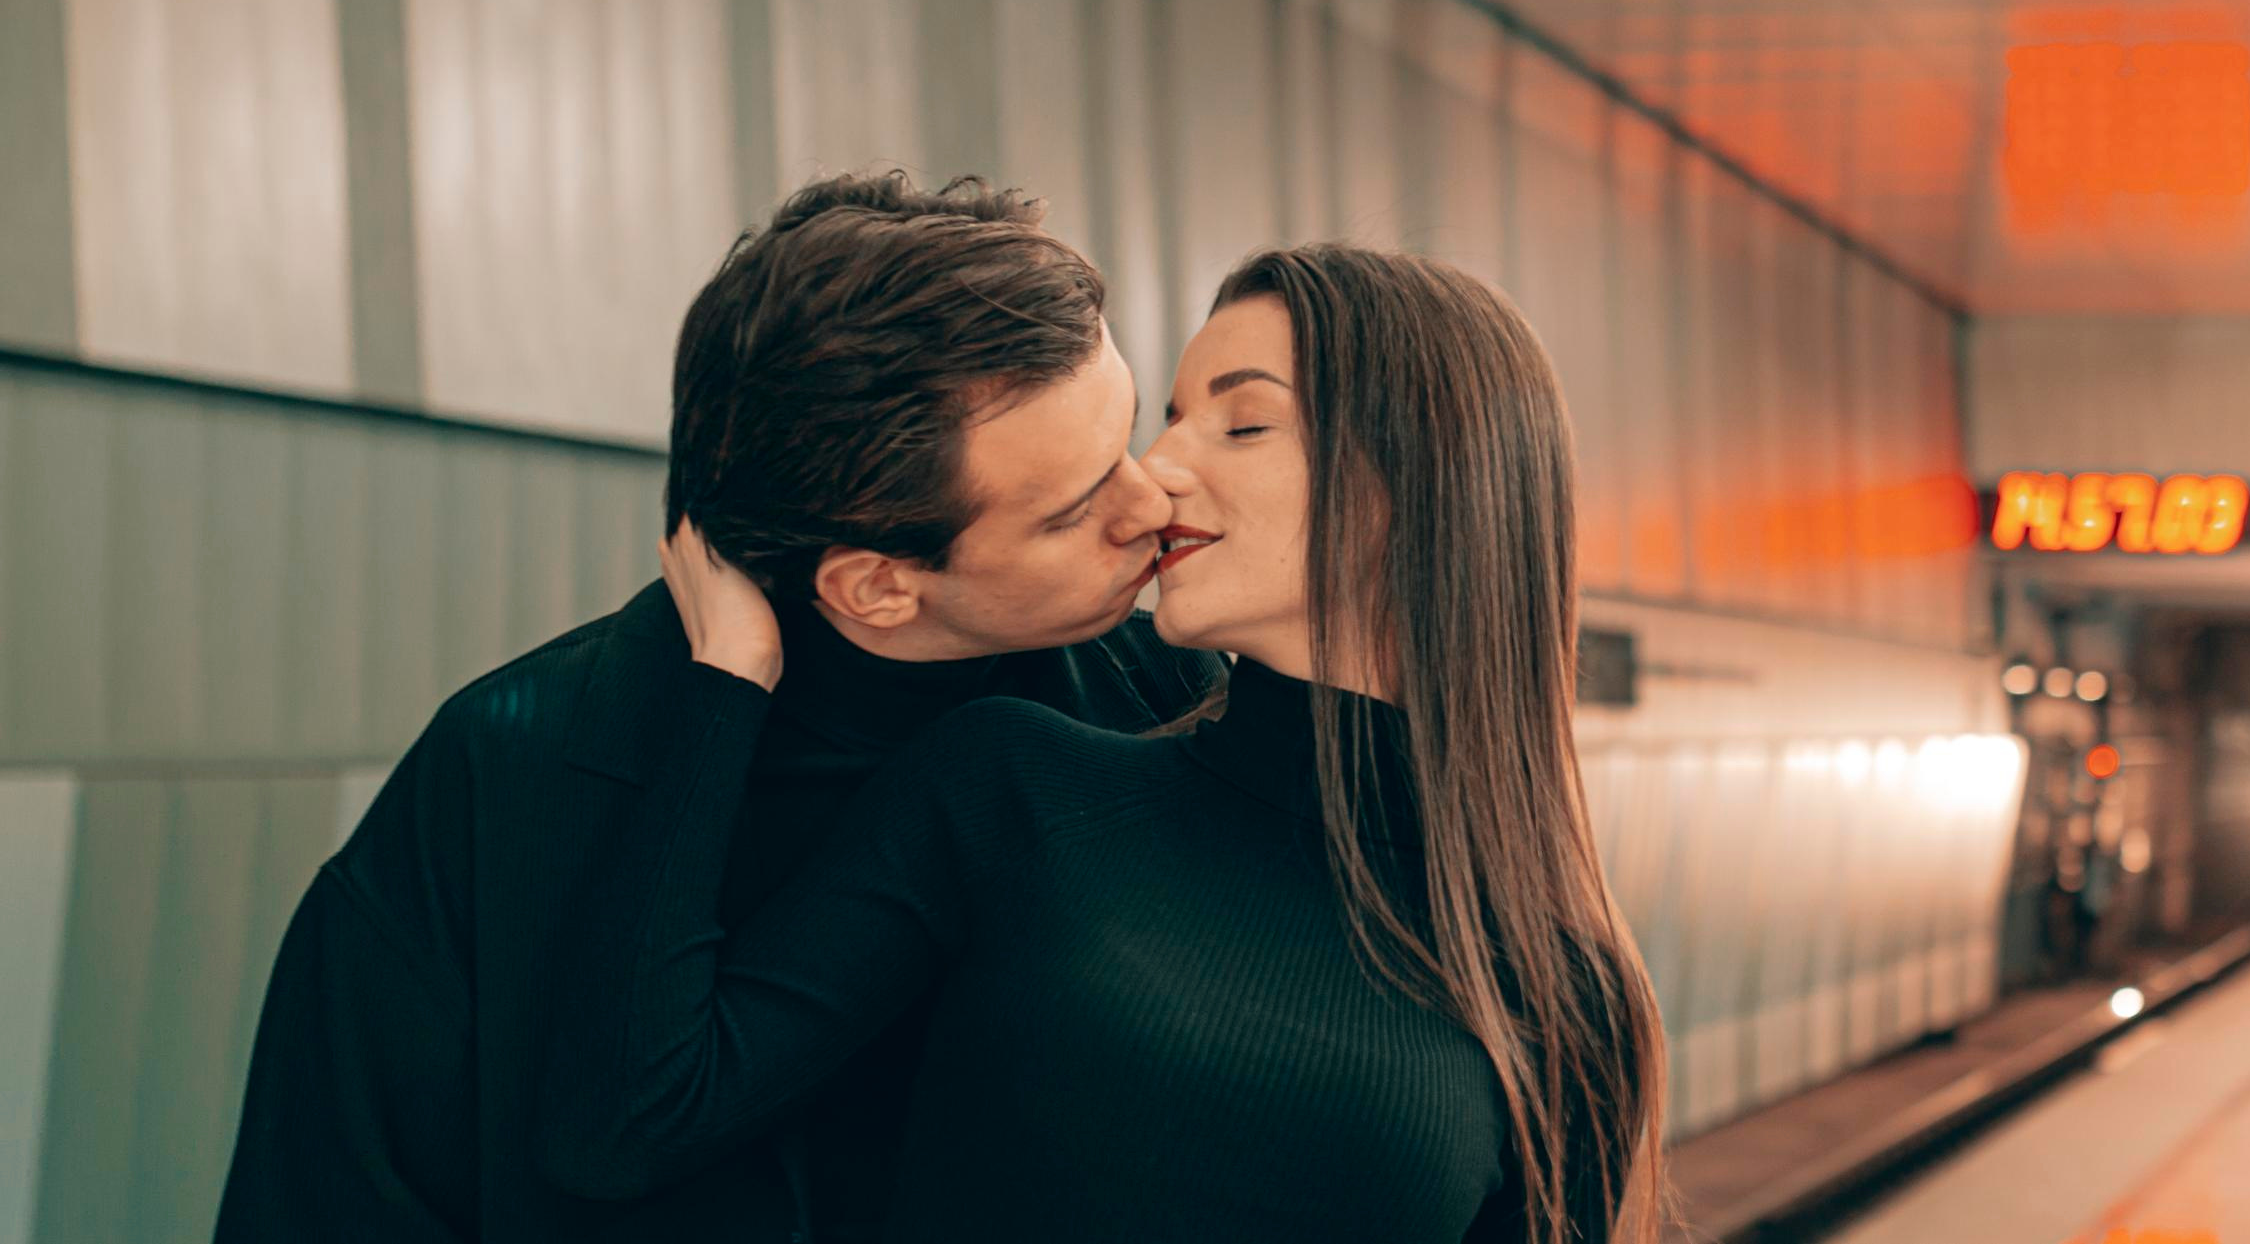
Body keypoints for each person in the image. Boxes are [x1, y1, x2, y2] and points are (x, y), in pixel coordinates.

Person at [533, 245, 1671, 1242]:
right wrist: (723, 686)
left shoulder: (1563, 987)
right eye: (1167, 418)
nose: (1160, 471)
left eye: (1242, 421)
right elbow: (626, 1118)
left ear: (1419, 482)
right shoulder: (1012, 788)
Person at [214, 173, 1223, 1244]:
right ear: (874, 584)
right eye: (1076, 508)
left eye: (1123, 441)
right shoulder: (504, 778)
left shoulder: (1163, 701)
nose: (1152, 503)